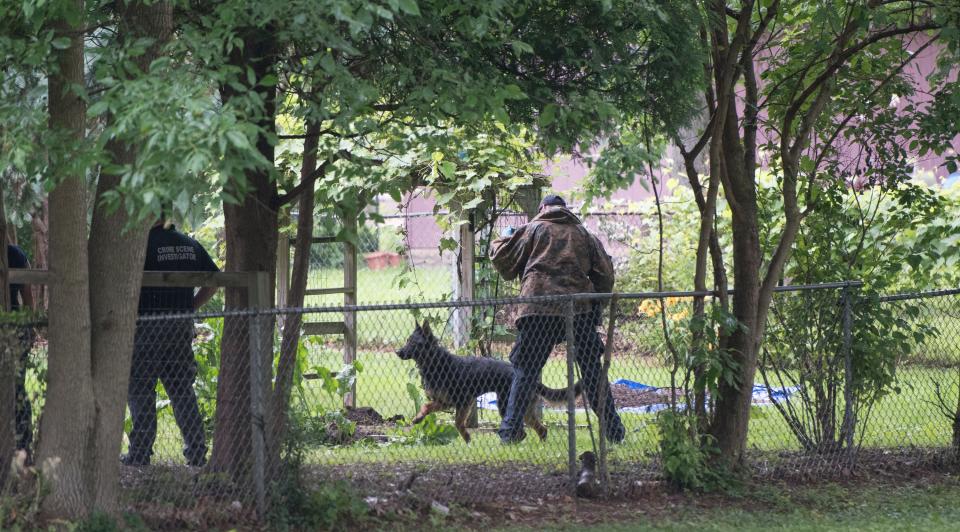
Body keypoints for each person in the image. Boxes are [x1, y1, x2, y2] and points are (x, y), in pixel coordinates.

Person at [490, 194, 626, 444]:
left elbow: (503, 261)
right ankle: (615, 432)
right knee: (593, 373)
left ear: (542, 208)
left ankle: (509, 434)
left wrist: (504, 238)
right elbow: (606, 275)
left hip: (538, 309)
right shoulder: (584, 235)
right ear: (565, 209)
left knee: (525, 372)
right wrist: (597, 302)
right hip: (579, 310)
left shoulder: (532, 230)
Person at [123, 218, 219, 467]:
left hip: (147, 326)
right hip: (179, 327)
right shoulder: (190, 244)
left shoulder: (141, 246)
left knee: (141, 388)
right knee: (181, 390)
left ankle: (140, 452)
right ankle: (196, 450)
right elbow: (214, 280)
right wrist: (190, 307)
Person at [7, 243, 35, 457]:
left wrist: (27, 326)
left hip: (15, 328)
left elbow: (27, 294)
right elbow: (28, 296)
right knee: (17, 386)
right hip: (17, 327)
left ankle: (23, 442)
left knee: (16, 387)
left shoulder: (15, 254)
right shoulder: (17, 254)